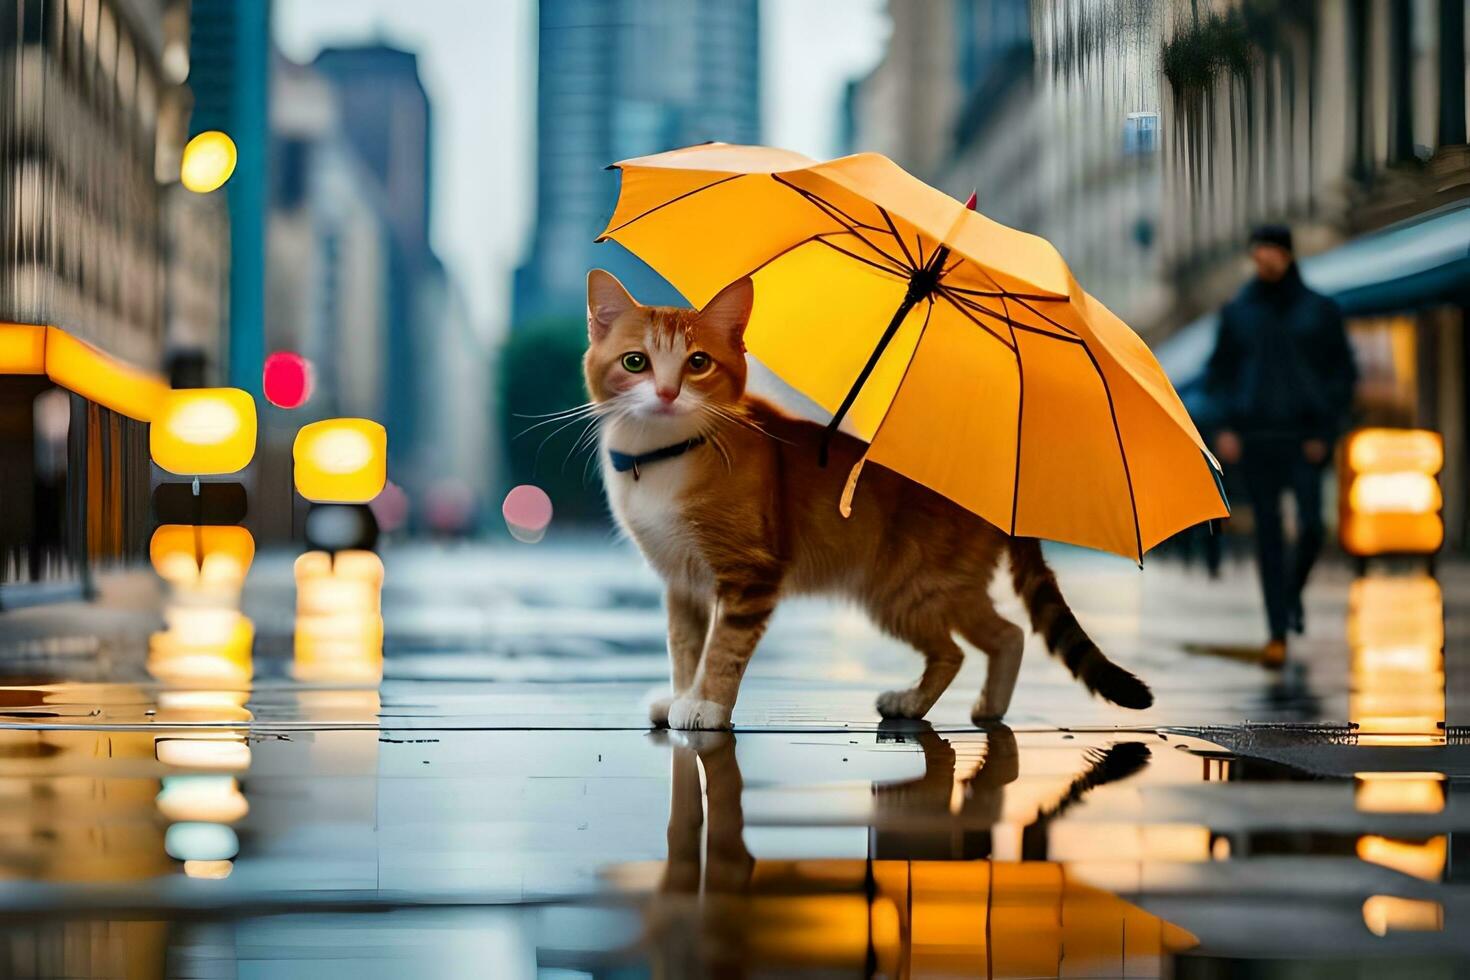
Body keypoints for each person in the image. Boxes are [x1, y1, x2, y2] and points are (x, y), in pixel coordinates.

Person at [1202, 224, 1358, 667]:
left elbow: (1341, 375)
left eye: (1272, 250)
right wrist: (1225, 430)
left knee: (1312, 526)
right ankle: (1276, 632)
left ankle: (1290, 597)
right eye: (1259, 251)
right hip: (1255, 438)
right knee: (1268, 536)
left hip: (1304, 437)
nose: (1265, 258)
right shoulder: (1237, 312)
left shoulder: (1319, 310)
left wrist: (1325, 433)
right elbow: (1219, 377)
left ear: (1288, 255)